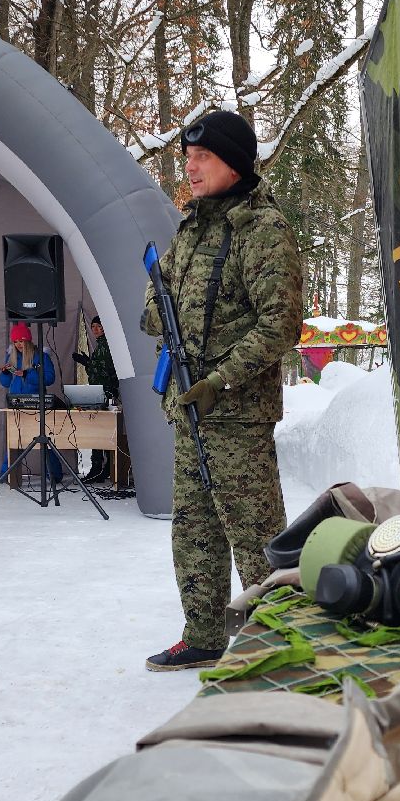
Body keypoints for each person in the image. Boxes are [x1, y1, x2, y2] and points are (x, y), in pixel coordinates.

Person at [141, 110, 304, 671]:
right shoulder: (193, 227)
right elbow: (154, 309)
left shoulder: (263, 229)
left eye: (202, 158)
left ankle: (280, 640)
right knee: (194, 530)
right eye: (187, 158)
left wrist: (219, 379)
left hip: (235, 413)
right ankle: (205, 634)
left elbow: (280, 324)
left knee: (256, 534)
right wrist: (159, 309)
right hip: (190, 411)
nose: (189, 168)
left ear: (233, 163)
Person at [0, 321, 65, 483]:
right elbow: (5, 383)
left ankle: (54, 474)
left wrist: (27, 375)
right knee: (13, 440)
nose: (18, 345)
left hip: (37, 404)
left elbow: (50, 378)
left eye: (21, 341)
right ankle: (6, 474)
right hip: (16, 404)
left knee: (44, 440)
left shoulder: (40, 356)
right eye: (15, 342)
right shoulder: (11, 356)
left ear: (28, 341)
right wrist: (6, 374)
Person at [72, 315, 120, 484]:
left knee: (101, 432)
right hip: (101, 392)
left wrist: (87, 363)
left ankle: (99, 468)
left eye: (98, 326)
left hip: (106, 393)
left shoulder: (106, 346)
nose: (95, 330)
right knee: (100, 431)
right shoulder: (102, 345)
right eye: (93, 327)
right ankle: (101, 468)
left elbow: (105, 371)